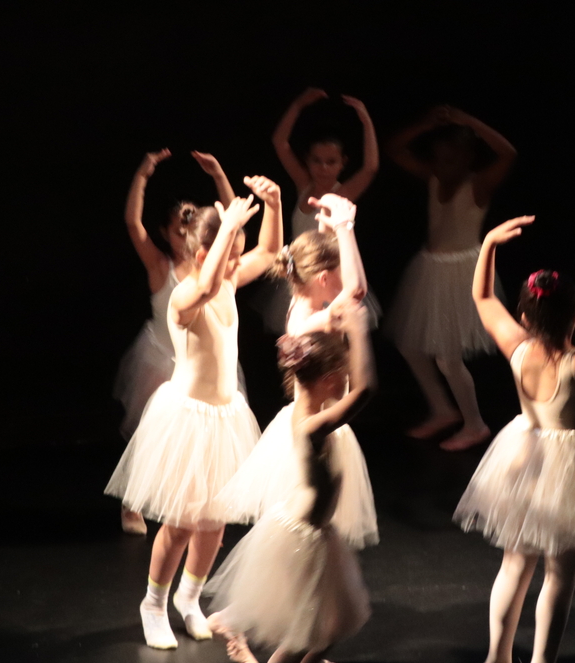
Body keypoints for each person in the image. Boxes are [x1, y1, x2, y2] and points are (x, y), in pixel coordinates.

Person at [106, 170, 283, 650]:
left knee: (215, 521)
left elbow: (268, 253)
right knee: (181, 522)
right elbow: (204, 287)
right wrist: (225, 228)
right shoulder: (186, 294)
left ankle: (190, 596)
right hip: (187, 419)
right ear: (205, 255)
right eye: (228, 252)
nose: (237, 261)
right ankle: (153, 603)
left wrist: (275, 204)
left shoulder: (226, 280)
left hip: (225, 417)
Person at [455, 216, 575, 663]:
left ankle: (497, 655)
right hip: (567, 465)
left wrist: (489, 246)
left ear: (524, 316)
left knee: (515, 564)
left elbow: (482, 296)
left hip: (523, 454)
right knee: (559, 576)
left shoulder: (516, 346)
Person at [206, 317, 376, 663]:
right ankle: (247, 657)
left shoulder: (312, 407)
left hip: (318, 533)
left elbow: (336, 379)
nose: (347, 379)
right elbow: (366, 391)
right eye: (342, 375)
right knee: (306, 634)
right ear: (329, 381)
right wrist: (359, 334)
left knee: (333, 626)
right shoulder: (312, 426)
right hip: (300, 536)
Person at [216, 193, 378, 551]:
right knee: (307, 520)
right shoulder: (312, 321)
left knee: (316, 514)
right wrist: (346, 227)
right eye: (338, 271)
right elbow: (357, 291)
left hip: (317, 417)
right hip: (319, 418)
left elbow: (342, 279)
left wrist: (328, 228)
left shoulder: (301, 302)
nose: (345, 276)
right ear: (322, 278)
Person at [112, 149, 242, 534]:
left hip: (201, 362)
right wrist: (142, 175)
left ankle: (200, 510)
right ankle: (132, 502)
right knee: (150, 437)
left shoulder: (215, 267)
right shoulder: (160, 266)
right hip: (160, 358)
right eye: (176, 231)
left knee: (202, 440)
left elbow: (234, 230)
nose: (184, 238)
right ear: (166, 234)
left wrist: (220, 177)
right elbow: (132, 222)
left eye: (190, 231)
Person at [384, 105, 517, 450]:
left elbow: (508, 153)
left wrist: (470, 121)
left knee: (447, 357)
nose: (443, 167)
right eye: (439, 159)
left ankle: (475, 424)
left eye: (451, 160)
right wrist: (425, 123)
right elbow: (394, 149)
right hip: (430, 267)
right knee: (410, 344)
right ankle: (443, 409)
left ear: (467, 159)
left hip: (463, 272)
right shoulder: (433, 177)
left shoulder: (479, 184)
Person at [259, 88, 380, 333]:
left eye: (331, 162)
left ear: (343, 162)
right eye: (317, 161)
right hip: (300, 274)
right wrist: (299, 105)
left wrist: (365, 119)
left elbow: (370, 166)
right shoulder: (304, 185)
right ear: (308, 160)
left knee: (330, 342)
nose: (323, 168)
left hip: (328, 279)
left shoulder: (342, 193)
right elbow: (280, 143)